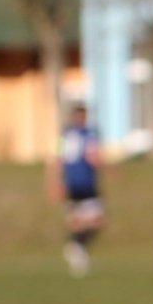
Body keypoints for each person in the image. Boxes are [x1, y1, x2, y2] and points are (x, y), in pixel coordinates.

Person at [51, 103, 103, 277]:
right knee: (94, 220)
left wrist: (56, 180)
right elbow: (92, 156)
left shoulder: (64, 134)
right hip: (84, 182)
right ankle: (77, 247)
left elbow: (57, 159)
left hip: (73, 183)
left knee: (79, 221)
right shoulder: (88, 134)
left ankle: (77, 250)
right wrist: (110, 168)